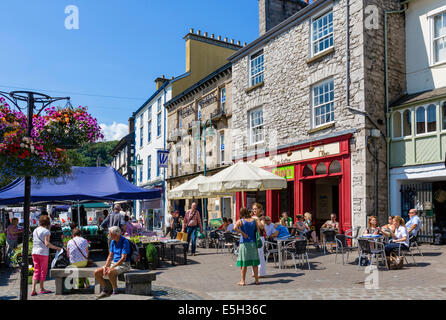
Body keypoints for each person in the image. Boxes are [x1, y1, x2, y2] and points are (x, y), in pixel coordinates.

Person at [94, 226, 132, 298]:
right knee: (96, 272)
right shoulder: (113, 242)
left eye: (110, 233)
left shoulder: (125, 242)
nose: (109, 235)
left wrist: (112, 267)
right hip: (114, 263)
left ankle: (115, 290)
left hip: (124, 264)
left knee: (110, 272)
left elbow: (123, 258)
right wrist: (106, 266)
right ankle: (105, 290)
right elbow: (110, 256)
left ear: (116, 234)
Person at [31, 215, 63, 296]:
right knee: (43, 271)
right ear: (48, 223)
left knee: (36, 270)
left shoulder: (35, 230)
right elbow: (47, 243)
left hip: (34, 252)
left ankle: (33, 289)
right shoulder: (46, 231)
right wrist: (57, 248)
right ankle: (41, 288)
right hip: (43, 253)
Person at [234, 207, 260, 286]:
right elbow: (258, 231)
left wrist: (242, 233)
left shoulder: (241, 221)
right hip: (253, 243)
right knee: (254, 263)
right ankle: (257, 280)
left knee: (244, 263)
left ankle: (243, 281)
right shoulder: (254, 221)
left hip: (244, 243)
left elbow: (234, 228)